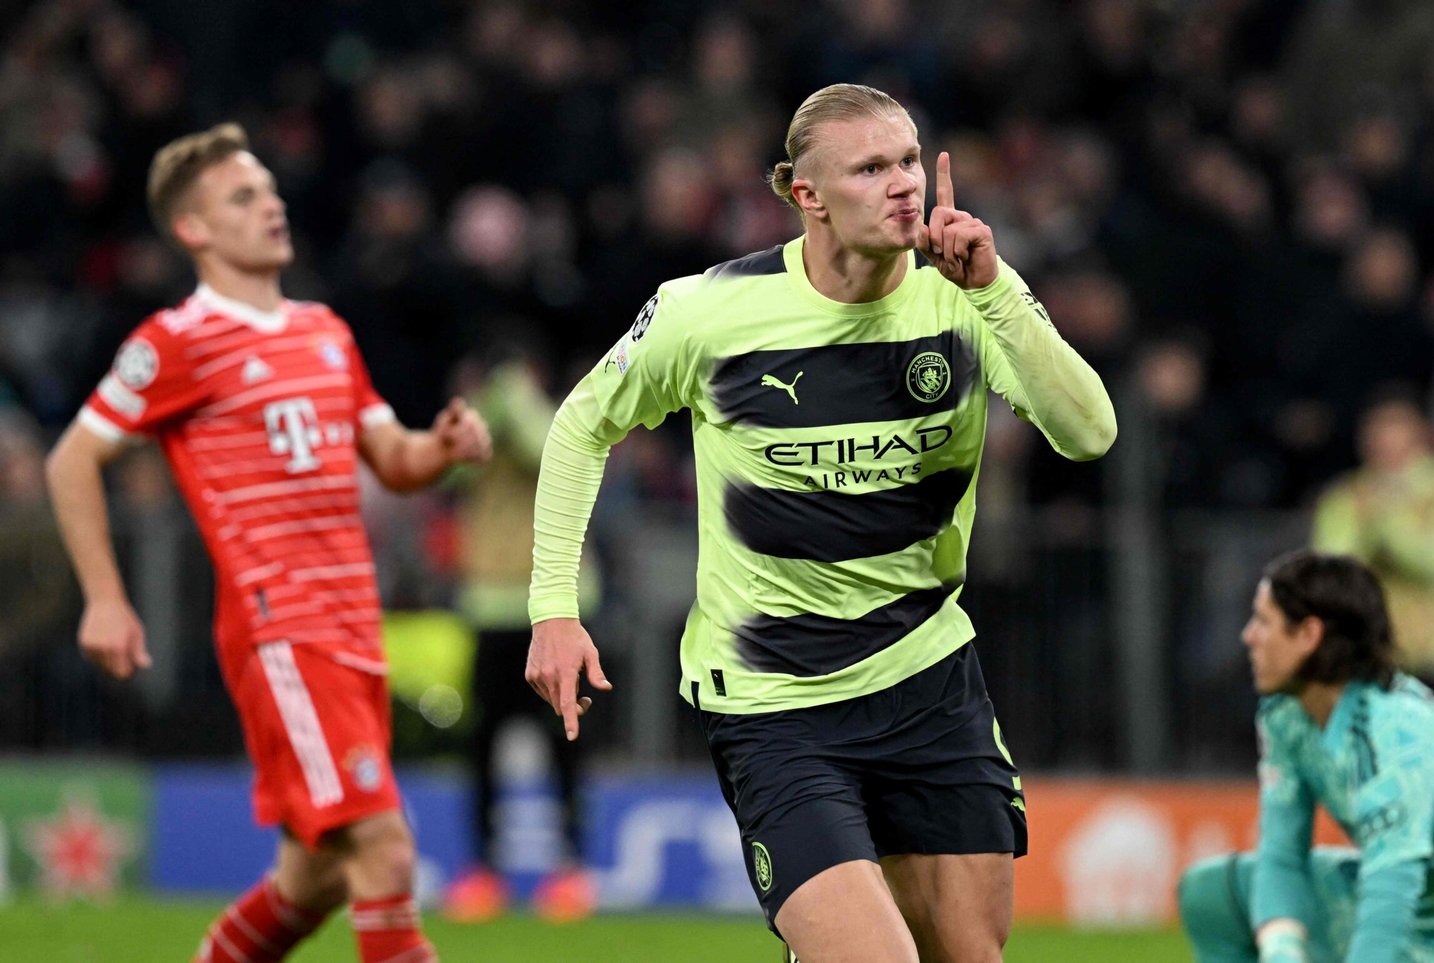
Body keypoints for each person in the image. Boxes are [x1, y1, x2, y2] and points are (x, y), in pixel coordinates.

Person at [524, 83, 1116, 962]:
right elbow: (581, 425)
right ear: (809, 196)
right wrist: (554, 608)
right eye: (871, 168)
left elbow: (1089, 432)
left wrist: (995, 289)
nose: (903, 183)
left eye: (909, 160)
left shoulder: (963, 295)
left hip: (928, 681)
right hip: (776, 703)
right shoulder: (708, 311)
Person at [44, 123, 491, 963]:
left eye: (270, 191)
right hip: (282, 625)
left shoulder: (325, 329)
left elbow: (392, 457)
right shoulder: (176, 340)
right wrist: (104, 597)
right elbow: (72, 457)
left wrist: (441, 447)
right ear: (194, 229)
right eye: (243, 197)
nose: (271, 206)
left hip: (353, 623)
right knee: (384, 847)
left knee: (312, 876)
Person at [1178, 550, 1434, 963]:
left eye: (1264, 622)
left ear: (1308, 635)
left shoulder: (1397, 733)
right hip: (1421, 924)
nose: (1249, 636)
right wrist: (1282, 951)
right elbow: (1282, 856)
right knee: (1213, 894)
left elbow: (1390, 897)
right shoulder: (1286, 715)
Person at [442, 344, 596, 922]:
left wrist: (516, 396)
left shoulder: (555, 419)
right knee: (482, 747)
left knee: (566, 743)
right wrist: (490, 405)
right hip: (489, 607)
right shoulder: (480, 430)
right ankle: (483, 870)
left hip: (559, 611)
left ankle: (572, 870)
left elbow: (552, 450)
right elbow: (449, 470)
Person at [1311, 391, 1434, 684]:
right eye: (1376, 429)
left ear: (1420, 433)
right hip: (1361, 652)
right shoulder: (1344, 496)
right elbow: (1331, 573)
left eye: (1395, 428)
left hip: (1427, 654)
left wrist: (1386, 525)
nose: (1384, 440)